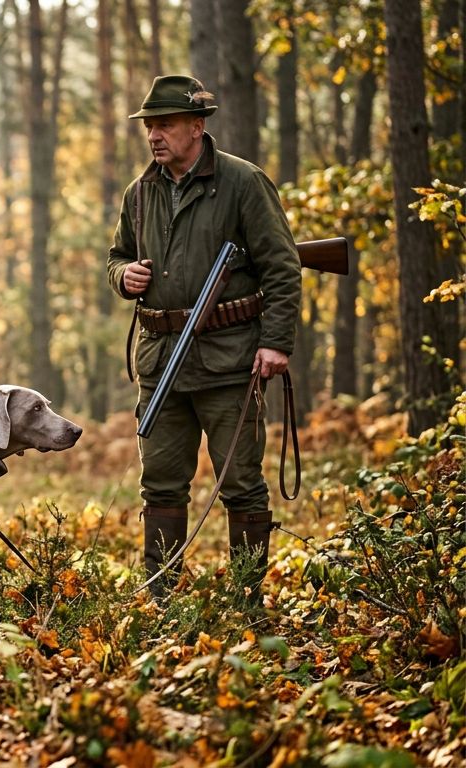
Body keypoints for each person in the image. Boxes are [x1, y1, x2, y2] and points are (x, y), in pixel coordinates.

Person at [107, 75, 302, 603]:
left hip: (229, 362)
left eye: (165, 123)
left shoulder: (243, 182)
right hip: (161, 364)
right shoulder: (140, 192)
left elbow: (282, 267)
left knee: (240, 484)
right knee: (161, 485)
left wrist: (276, 342)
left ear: (197, 126)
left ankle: (246, 600)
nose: (154, 135)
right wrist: (124, 276)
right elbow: (117, 255)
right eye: (150, 125)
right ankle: (163, 597)